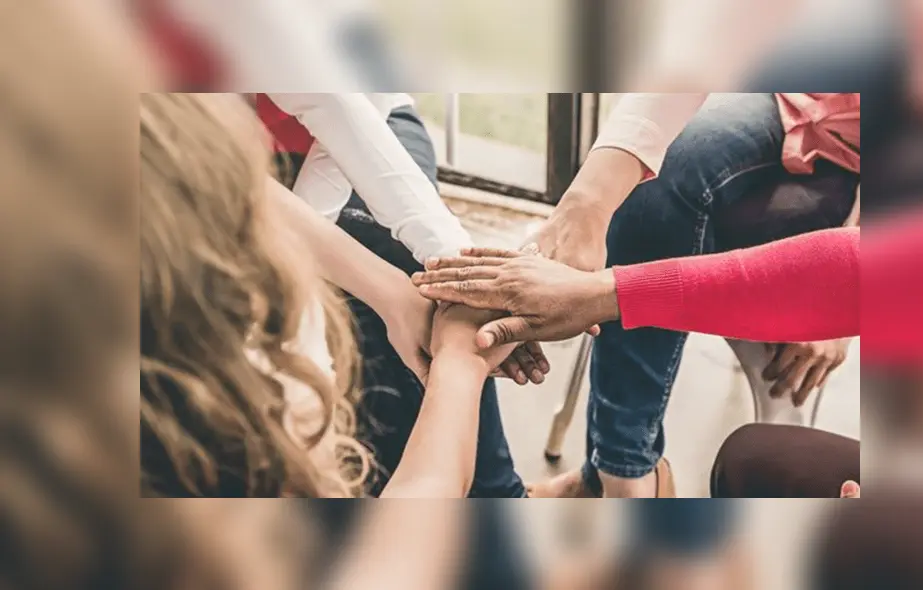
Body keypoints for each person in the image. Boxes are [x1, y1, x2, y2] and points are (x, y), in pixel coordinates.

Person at [417, 92, 860, 497]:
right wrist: (586, 203)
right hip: (798, 99)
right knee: (649, 178)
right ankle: (623, 473)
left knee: (748, 457)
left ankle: (616, 478)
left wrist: (845, 303)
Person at [139, 92, 518, 499]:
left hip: (353, 122)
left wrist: (453, 275)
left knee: (408, 267)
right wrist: (460, 359)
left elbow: (335, 106)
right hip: (198, 167)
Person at [255, 93, 538, 497]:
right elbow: (206, 165)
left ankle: (497, 494)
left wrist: (463, 276)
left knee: (419, 273)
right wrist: (456, 354)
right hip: (208, 162)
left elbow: (335, 103)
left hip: (368, 116)